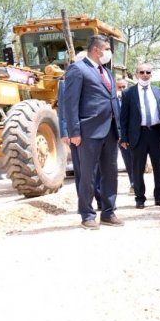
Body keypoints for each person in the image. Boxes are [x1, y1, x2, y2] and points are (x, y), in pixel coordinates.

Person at [63, 35, 124, 229]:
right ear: (97, 50)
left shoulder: (108, 72)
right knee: (88, 175)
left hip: (110, 131)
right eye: (107, 48)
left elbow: (113, 101)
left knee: (110, 173)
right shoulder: (78, 69)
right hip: (88, 131)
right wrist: (74, 131)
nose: (109, 53)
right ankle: (87, 215)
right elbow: (70, 104)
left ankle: (108, 212)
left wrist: (120, 129)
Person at [120, 63, 160, 209]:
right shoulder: (128, 93)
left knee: (159, 166)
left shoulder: (158, 91)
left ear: (151, 74)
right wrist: (124, 137)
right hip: (138, 134)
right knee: (137, 167)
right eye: (142, 72)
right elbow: (123, 118)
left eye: (148, 72)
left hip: (156, 133)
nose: (145, 74)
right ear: (136, 75)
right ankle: (140, 198)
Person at [59, 51, 102, 208]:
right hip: (77, 134)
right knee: (82, 171)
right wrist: (66, 132)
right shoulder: (66, 83)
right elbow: (65, 108)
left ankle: (100, 200)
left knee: (98, 170)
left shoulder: (98, 79)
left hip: (96, 132)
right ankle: (84, 203)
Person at [116, 78, 135, 194]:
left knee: (136, 159)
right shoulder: (113, 100)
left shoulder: (133, 99)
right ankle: (133, 182)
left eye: (124, 87)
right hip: (120, 136)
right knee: (128, 160)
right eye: (120, 87)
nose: (122, 90)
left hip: (134, 134)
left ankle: (137, 183)